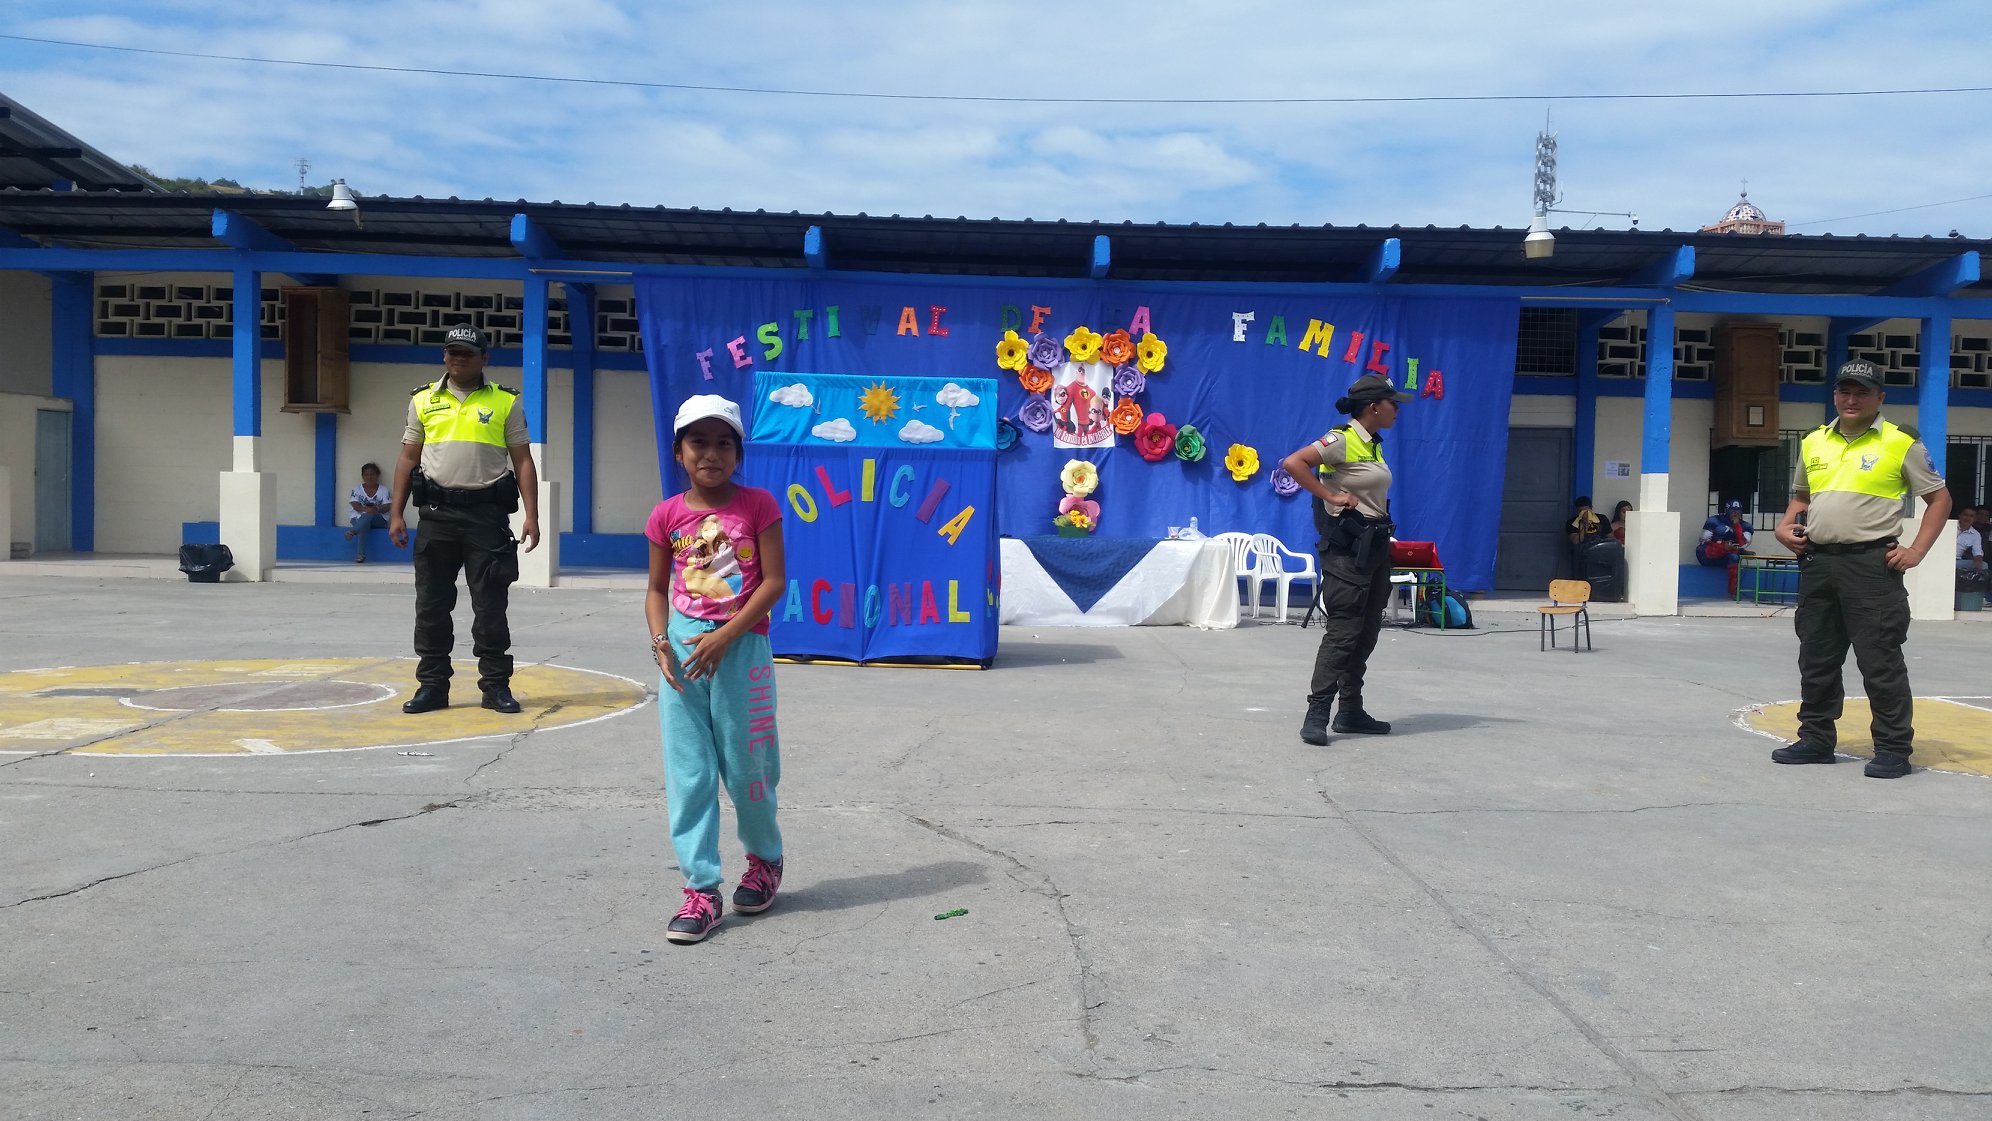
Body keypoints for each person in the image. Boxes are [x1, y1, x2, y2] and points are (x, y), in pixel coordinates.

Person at [645, 395, 787, 944]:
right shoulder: (665, 515)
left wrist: (726, 636)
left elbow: (773, 582)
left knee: (750, 769)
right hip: (683, 658)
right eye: (698, 442)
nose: (711, 453)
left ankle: (765, 861)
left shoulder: (758, 506)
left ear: (738, 453)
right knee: (690, 773)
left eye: (724, 443)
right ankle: (701, 889)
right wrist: (662, 641)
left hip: (741, 651)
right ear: (678, 452)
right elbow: (657, 589)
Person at [1771, 360, 1950, 779]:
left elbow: (1939, 499)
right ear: (1835, 394)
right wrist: (1784, 525)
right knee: (1816, 658)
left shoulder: (1900, 442)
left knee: (1880, 661)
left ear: (1879, 398)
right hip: (1818, 563)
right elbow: (1802, 496)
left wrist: (1917, 551)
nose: (1851, 399)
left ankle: (1892, 749)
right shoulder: (1814, 441)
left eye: (1862, 392)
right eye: (1844, 391)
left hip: (1871, 567)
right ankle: (1816, 740)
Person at [388, 325, 540, 715]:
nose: (458, 358)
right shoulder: (423, 400)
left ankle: (496, 687)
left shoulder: (506, 401)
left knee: (490, 607)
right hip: (436, 516)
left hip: (486, 518)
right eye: (452, 352)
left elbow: (523, 460)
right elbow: (407, 458)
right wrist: (396, 514)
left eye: (467, 353)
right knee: (432, 606)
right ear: (444, 356)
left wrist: (532, 515)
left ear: (484, 358)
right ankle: (432, 687)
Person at [1280, 372, 1412, 746]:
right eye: (1392, 403)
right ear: (1373, 407)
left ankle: (1351, 711)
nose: (1397, 409)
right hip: (1346, 553)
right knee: (1343, 633)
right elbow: (1294, 463)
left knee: (1366, 633)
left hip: (1374, 549)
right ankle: (1317, 714)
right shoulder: (1342, 439)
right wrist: (1331, 496)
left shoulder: (1372, 444)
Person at [1697, 499, 1756, 597]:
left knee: (1734, 557)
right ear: (1726, 510)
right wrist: (1722, 546)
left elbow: (1743, 544)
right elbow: (1703, 540)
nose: (1735, 513)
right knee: (1701, 549)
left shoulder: (1746, 526)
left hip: (1727, 557)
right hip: (1711, 555)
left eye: (1738, 511)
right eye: (1732, 510)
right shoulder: (1714, 520)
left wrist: (1736, 526)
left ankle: (1733, 592)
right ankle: (1734, 550)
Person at [343, 462, 391, 563]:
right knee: (364, 524)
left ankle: (352, 531)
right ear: (363, 476)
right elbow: (355, 505)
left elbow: (387, 507)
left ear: (377, 475)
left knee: (369, 515)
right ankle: (360, 555)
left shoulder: (383, 490)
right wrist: (366, 510)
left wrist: (376, 509)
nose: (369, 477)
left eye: (372, 474)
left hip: (378, 520)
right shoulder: (357, 489)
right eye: (366, 475)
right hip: (358, 518)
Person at [1957, 508, 1985, 573]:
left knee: (1984, 565)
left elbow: (1977, 553)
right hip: (1939, 557)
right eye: (1965, 515)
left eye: (1971, 516)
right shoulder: (1949, 525)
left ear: (1975, 519)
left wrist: (1978, 562)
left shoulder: (1976, 534)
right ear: (1960, 516)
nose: (1968, 518)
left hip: (1956, 561)